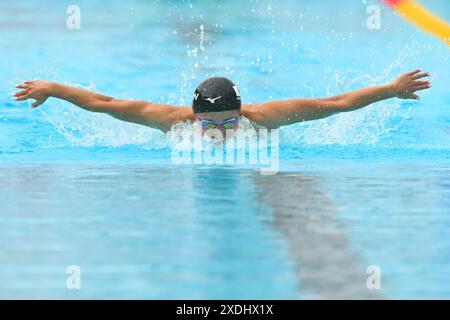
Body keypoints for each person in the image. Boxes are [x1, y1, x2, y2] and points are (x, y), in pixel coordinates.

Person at [14, 70, 431, 136]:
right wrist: (54, 88)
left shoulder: (267, 118)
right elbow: (103, 102)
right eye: (207, 126)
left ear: (241, 112)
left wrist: (391, 89)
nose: (216, 135)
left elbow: (335, 103)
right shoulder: (169, 121)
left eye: (227, 125)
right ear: (192, 116)